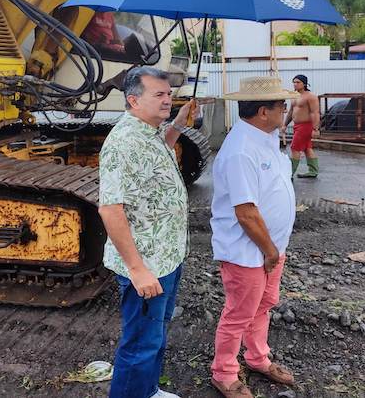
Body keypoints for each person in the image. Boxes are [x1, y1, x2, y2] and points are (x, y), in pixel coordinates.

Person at [98, 66, 196, 398]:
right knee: (140, 344)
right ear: (133, 100)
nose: (168, 99)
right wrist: (138, 270)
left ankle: (148, 391)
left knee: (155, 336)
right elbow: (111, 209)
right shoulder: (123, 142)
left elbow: (158, 155)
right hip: (147, 265)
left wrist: (179, 125)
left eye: (169, 94)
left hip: (166, 257)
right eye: (159, 94)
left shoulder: (150, 130)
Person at [209, 76, 298, 398]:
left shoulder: (266, 138)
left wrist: (274, 249)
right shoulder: (241, 150)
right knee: (239, 313)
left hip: (270, 248)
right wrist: (270, 251)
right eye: (281, 106)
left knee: (263, 305)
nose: (285, 110)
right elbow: (245, 212)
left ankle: (258, 358)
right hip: (248, 251)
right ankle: (224, 372)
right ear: (264, 111)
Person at [283, 74, 320, 178]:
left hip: (306, 126)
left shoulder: (310, 96)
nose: (295, 84)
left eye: (298, 82)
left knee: (294, 148)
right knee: (307, 148)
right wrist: (285, 125)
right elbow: (291, 112)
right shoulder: (294, 96)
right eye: (294, 82)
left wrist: (315, 128)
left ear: (304, 84)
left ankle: (289, 174)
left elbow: (315, 113)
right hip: (297, 126)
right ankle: (313, 171)